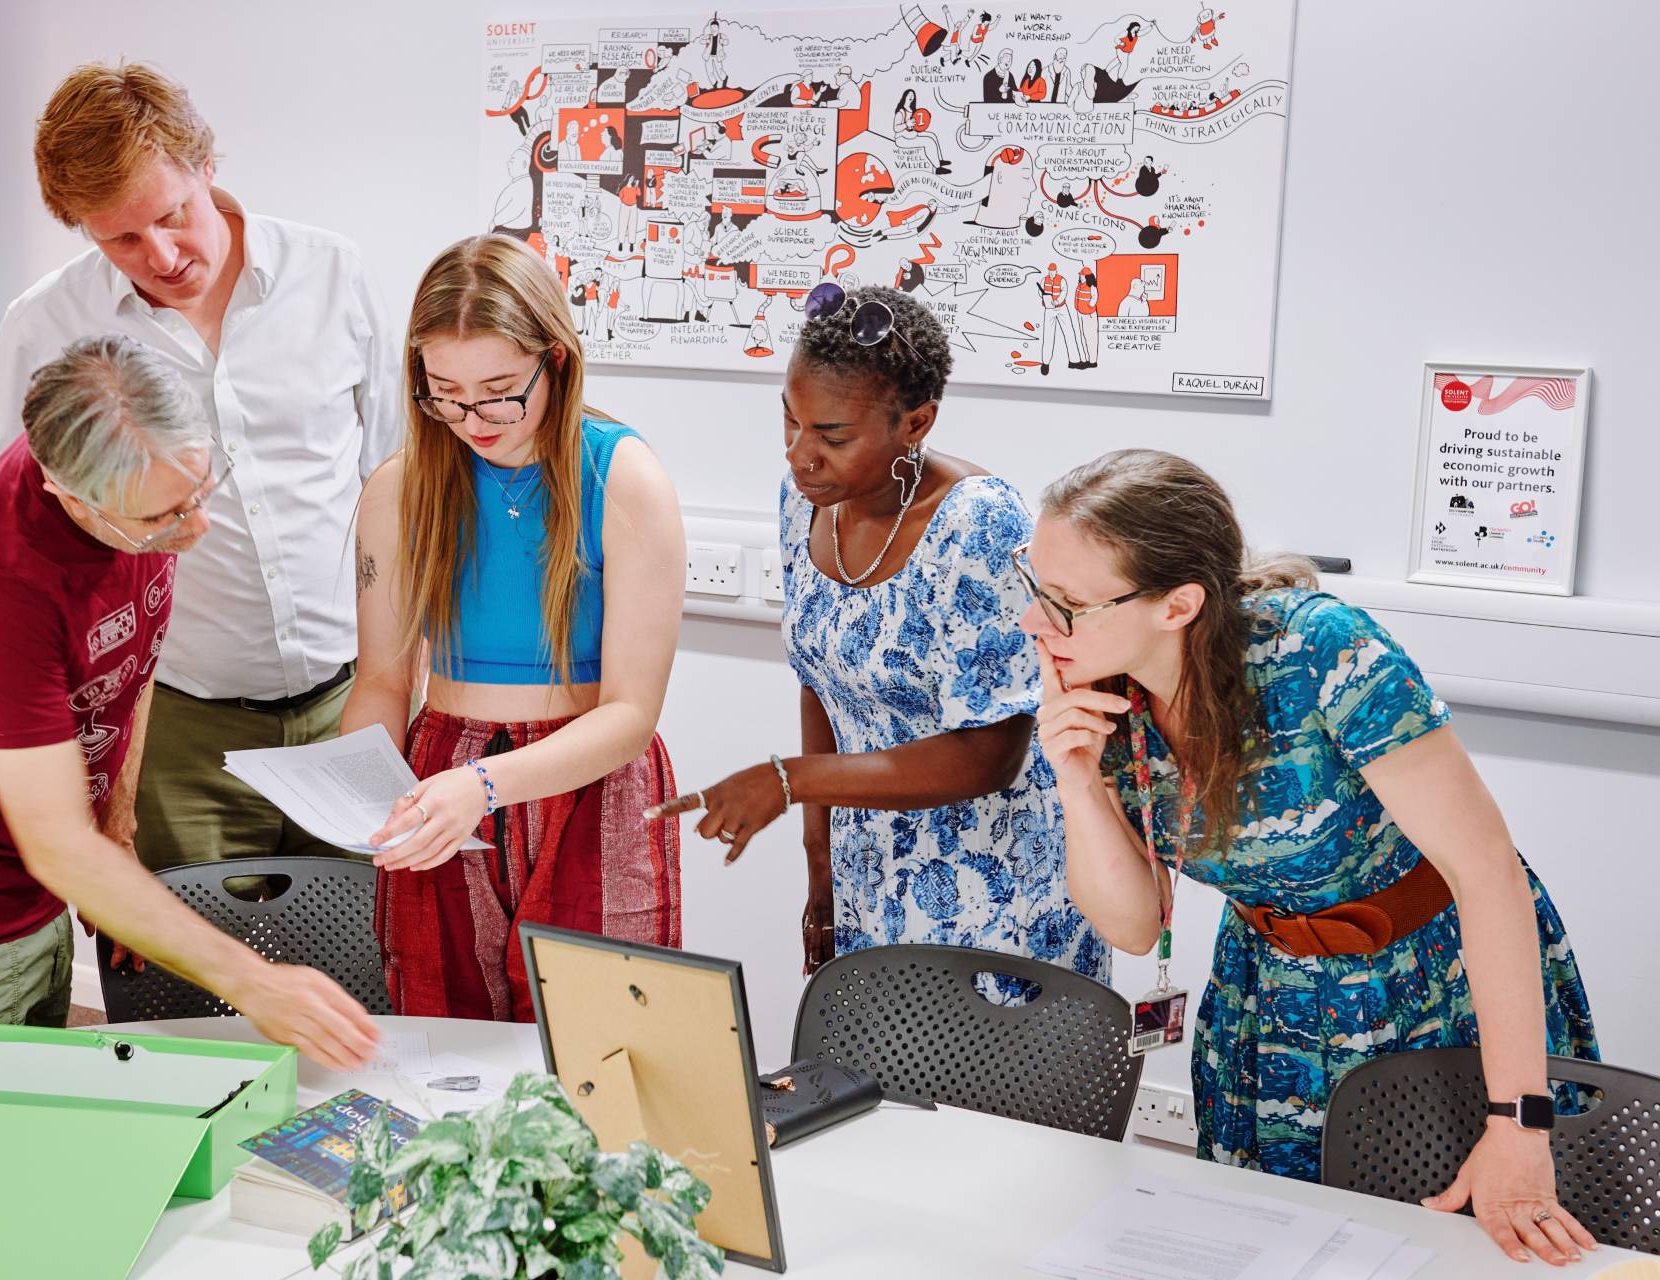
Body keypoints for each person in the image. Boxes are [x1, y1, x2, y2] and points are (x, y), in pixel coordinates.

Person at [1020, 449, 1600, 1267]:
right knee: (1271, 1246)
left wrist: (1517, 1120)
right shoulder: (1104, 695)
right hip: (1269, 999)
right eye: (1034, 588)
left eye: (1066, 603)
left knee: (1444, 1248)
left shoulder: (1320, 654)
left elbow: (1488, 874)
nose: (1033, 624)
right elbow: (1133, 927)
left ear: (1179, 605)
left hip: (1428, 989)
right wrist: (1077, 784)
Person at [0, 336, 378, 1070]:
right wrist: (253, 983)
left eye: (201, 490)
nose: (194, 529)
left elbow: (126, 672)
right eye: (164, 519)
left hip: (26, 899)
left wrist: (118, 835)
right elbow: (53, 841)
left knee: (28, 1127)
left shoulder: (135, 483)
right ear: (67, 494)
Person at [0, 62, 399, 877]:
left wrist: (400, 682)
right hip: (172, 729)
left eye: (174, 216)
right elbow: (10, 540)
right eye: (121, 239)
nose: (163, 255)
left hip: (354, 703)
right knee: (186, 987)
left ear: (208, 166)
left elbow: (395, 482)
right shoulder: (46, 326)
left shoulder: (334, 275)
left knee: (364, 968)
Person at [651, 286, 1106, 987]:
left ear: (916, 423)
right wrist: (821, 866)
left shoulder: (980, 524)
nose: (802, 455)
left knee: (980, 1093)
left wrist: (787, 782)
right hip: (872, 870)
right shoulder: (804, 502)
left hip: (998, 882)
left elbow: (989, 756)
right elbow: (819, 685)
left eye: (832, 436)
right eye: (790, 421)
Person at [344, 235, 686, 1021]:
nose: (473, 419)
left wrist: (487, 786)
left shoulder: (624, 478)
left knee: (604, 1038)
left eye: (500, 390)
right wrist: (358, 785)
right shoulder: (400, 490)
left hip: (587, 780)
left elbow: (631, 715)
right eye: (446, 393)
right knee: (442, 1029)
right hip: (442, 772)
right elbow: (382, 683)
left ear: (555, 362)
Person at [892, 89, 947, 175]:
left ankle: (940, 160)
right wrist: (906, 124)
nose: (911, 97)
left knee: (932, 135)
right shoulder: (901, 111)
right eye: (909, 95)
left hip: (911, 134)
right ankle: (937, 168)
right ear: (905, 97)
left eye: (913, 95)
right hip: (902, 138)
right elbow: (895, 128)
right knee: (928, 142)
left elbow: (916, 124)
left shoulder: (912, 110)